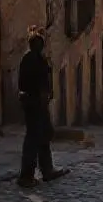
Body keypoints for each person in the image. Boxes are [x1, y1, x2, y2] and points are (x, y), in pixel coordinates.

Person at [17, 33, 69, 188]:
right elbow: (37, 84)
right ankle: (27, 175)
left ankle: (47, 169)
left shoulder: (30, 59)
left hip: (35, 103)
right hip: (36, 104)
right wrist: (43, 98)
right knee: (34, 138)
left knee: (44, 135)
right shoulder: (35, 60)